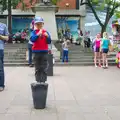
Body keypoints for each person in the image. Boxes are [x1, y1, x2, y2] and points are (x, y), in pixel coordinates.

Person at [30, 16, 51, 83]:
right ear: (35, 25)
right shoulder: (34, 32)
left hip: (44, 52)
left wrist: (47, 37)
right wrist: (38, 34)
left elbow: (49, 42)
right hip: (36, 52)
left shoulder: (46, 32)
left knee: (44, 68)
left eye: (40, 24)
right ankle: (38, 81)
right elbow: (32, 40)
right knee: (37, 68)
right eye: (37, 24)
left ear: (43, 24)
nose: (39, 25)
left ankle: (43, 81)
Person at [0, 22, 9, 91]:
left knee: (0, 68)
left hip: (0, 49)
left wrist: (1, 36)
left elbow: (7, 38)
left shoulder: (3, 26)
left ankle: (1, 85)